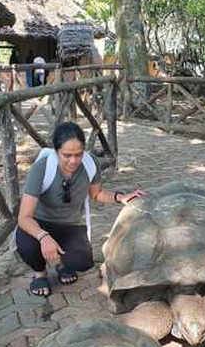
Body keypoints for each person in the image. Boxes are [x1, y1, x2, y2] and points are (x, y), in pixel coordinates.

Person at [16, 123, 144, 296]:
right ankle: (40, 274)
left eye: (78, 154)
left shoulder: (90, 164)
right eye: (66, 155)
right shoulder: (42, 168)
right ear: (56, 151)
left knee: (81, 263)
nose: (73, 161)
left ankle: (60, 264)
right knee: (28, 246)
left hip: (69, 224)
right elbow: (24, 218)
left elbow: (97, 194)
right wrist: (44, 237)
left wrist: (119, 197)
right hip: (39, 223)